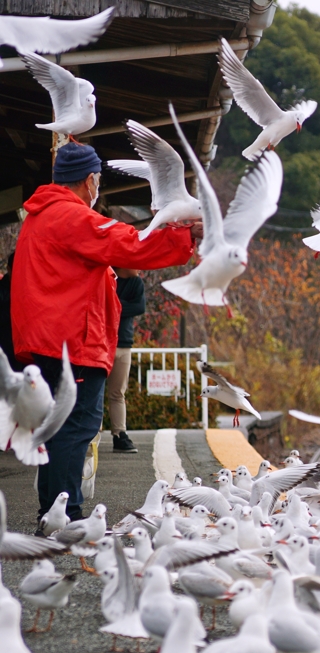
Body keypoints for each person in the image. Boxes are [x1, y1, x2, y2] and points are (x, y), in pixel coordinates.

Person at [11, 142, 201, 521]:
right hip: (72, 340)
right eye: (97, 180)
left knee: (57, 427)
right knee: (76, 427)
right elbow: (129, 245)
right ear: (90, 180)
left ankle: (52, 514)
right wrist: (185, 237)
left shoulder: (41, 216)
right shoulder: (71, 216)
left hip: (48, 339)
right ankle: (68, 516)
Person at [108, 268, 145, 453]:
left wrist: (114, 305)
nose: (139, 266)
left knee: (118, 393)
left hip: (124, 344)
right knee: (94, 392)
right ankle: (90, 435)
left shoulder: (136, 283)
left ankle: (119, 434)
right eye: (135, 262)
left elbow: (140, 307)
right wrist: (123, 305)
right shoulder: (106, 276)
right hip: (103, 343)